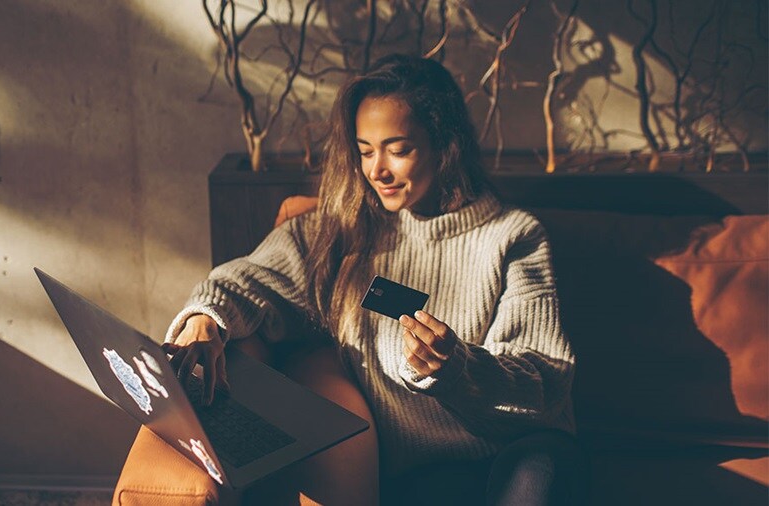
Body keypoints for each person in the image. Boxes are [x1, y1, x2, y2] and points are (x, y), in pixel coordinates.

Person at [162, 54, 588, 505]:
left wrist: (457, 368)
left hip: (518, 452)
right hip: (421, 473)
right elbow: (250, 277)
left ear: (444, 146)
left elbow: (542, 384)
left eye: (397, 150)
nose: (377, 171)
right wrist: (205, 319)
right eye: (366, 151)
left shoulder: (513, 236)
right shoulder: (346, 232)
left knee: (535, 480)